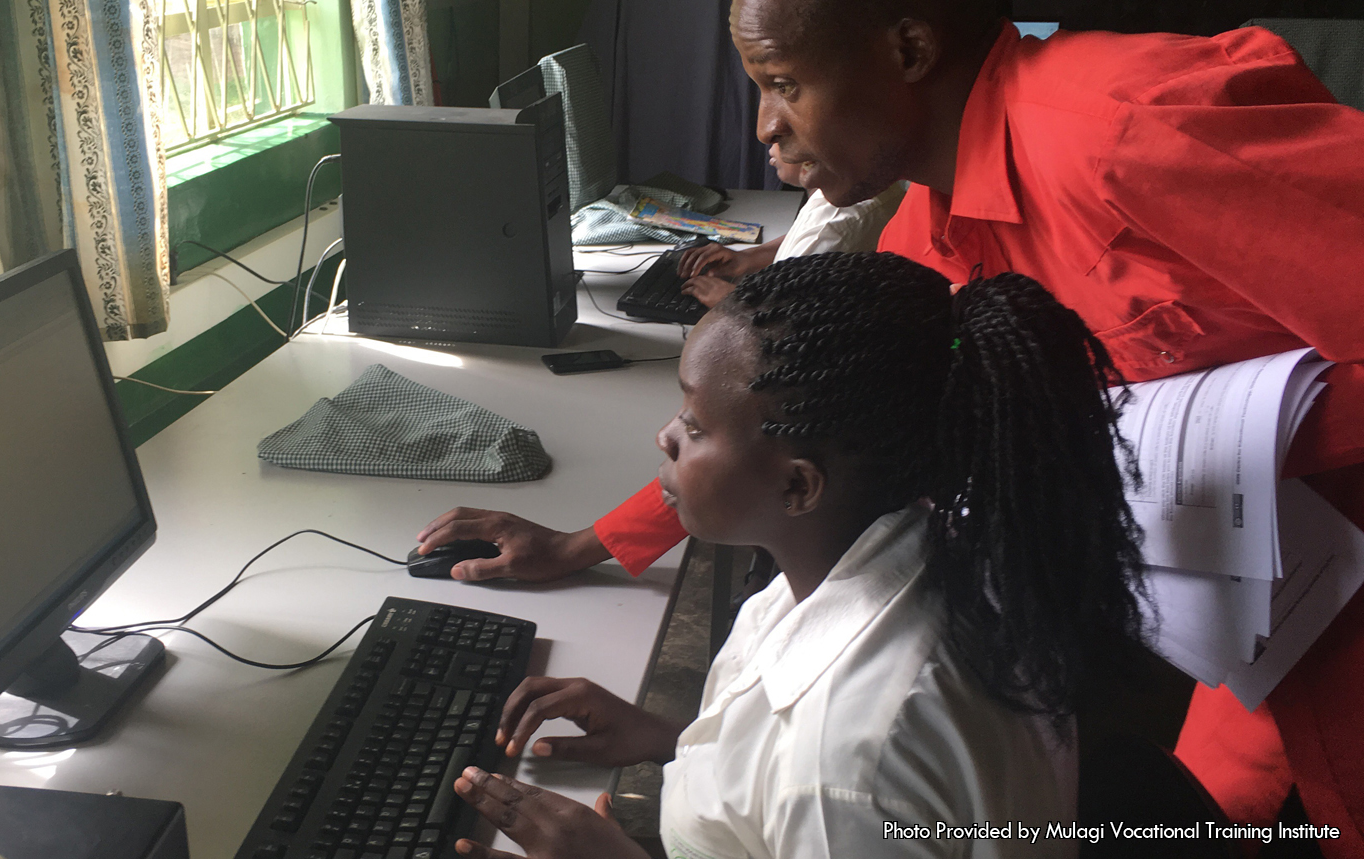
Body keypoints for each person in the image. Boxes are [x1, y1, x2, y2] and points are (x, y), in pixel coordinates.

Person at [419, 1, 1364, 848]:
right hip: (1249, 624)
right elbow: (774, 426)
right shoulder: (930, 222)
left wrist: (1209, 444)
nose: (764, 126)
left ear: (909, 45)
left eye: (784, 83)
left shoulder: (1123, 129)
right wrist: (587, 544)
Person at [448, 252, 1145, 859]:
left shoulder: (844, 770)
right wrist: (677, 739)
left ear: (797, 484)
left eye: (693, 424)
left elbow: (830, 782)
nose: (665, 436)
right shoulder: (910, 556)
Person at [673, 143, 908, 308]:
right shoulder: (855, 186)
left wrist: (733, 300)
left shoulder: (833, 228)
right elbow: (804, 235)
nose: (770, 147)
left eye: (779, 139)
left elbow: (781, 320)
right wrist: (748, 258)